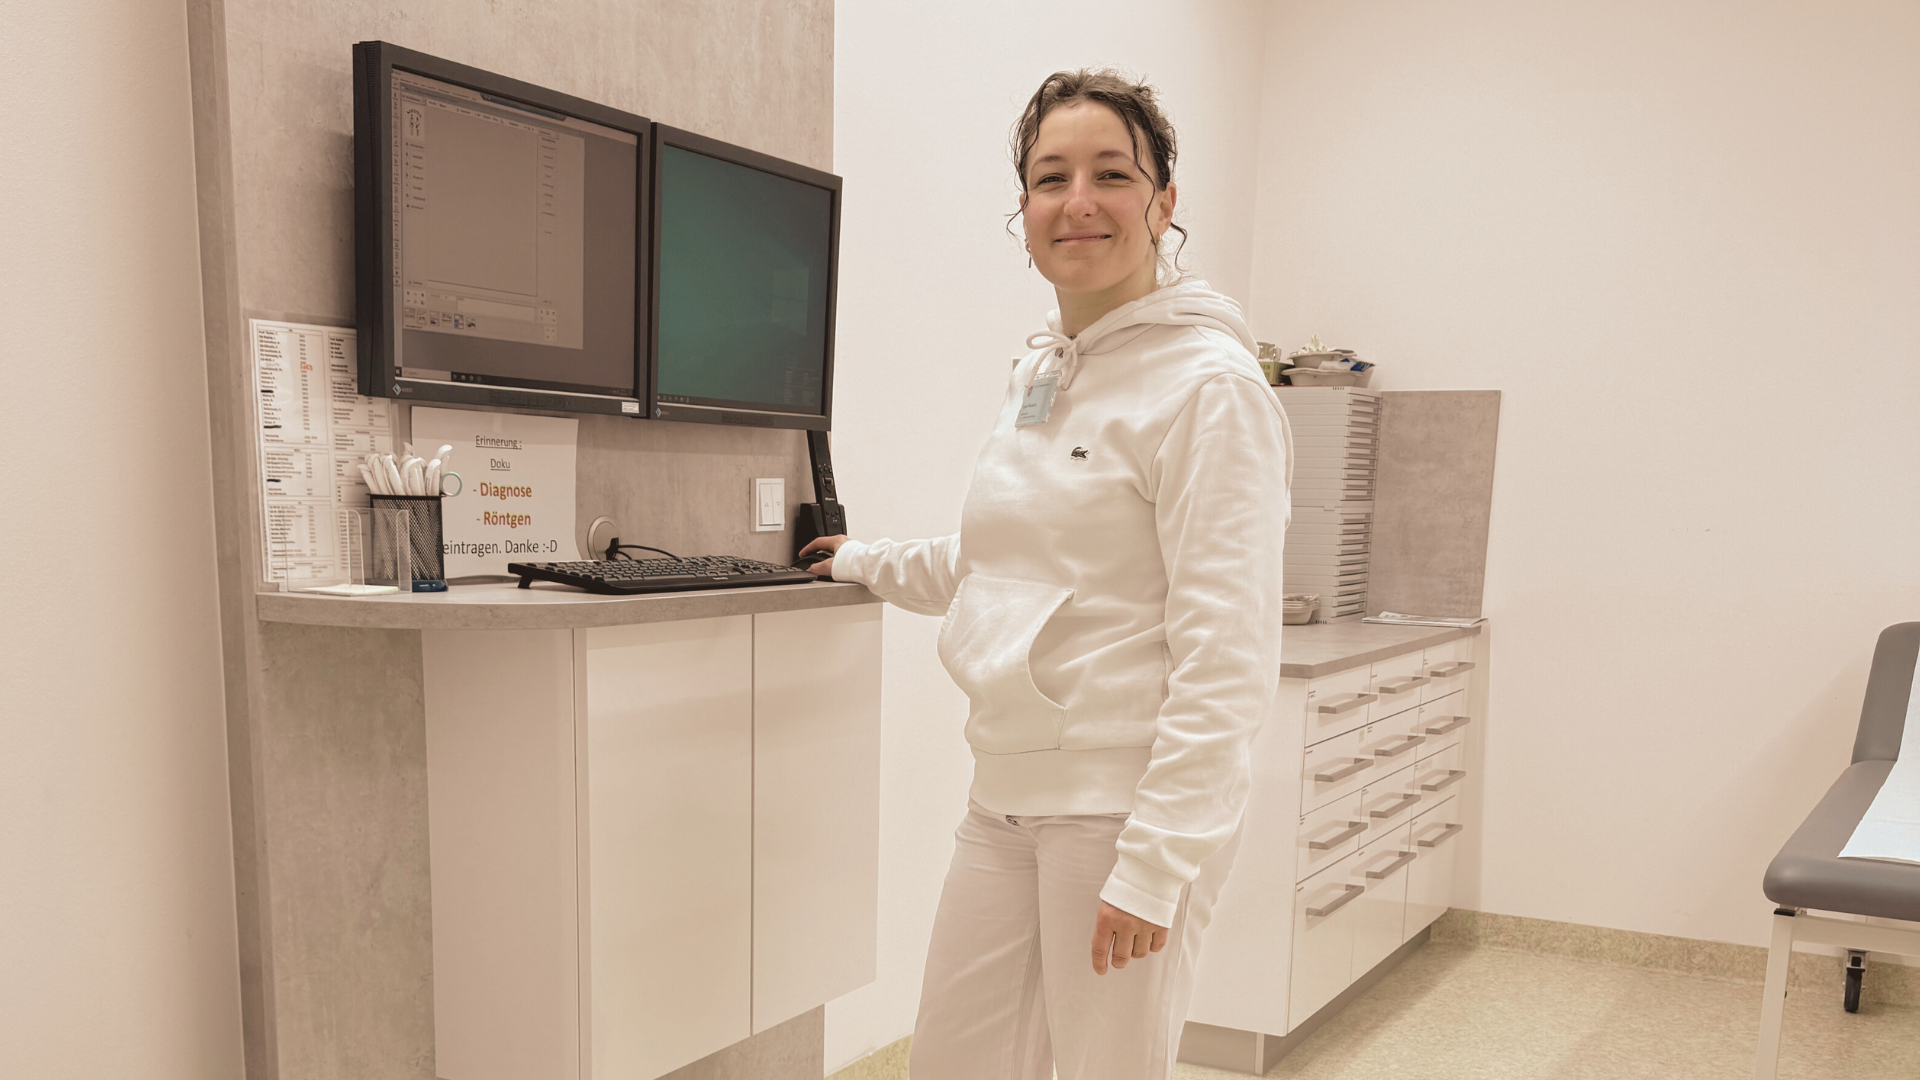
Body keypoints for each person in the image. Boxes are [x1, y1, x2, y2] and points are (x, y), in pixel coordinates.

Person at [800, 68, 1294, 1080]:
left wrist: (1157, 864)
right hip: (1006, 797)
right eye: (1049, 176)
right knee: (952, 1062)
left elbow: (1228, 649)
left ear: (1163, 204)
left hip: (1120, 808)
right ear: (1021, 211)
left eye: (1112, 174)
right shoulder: (1044, 375)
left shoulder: (1209, 387)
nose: (1078, 201)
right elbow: (1001, 560)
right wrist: (861, 560)